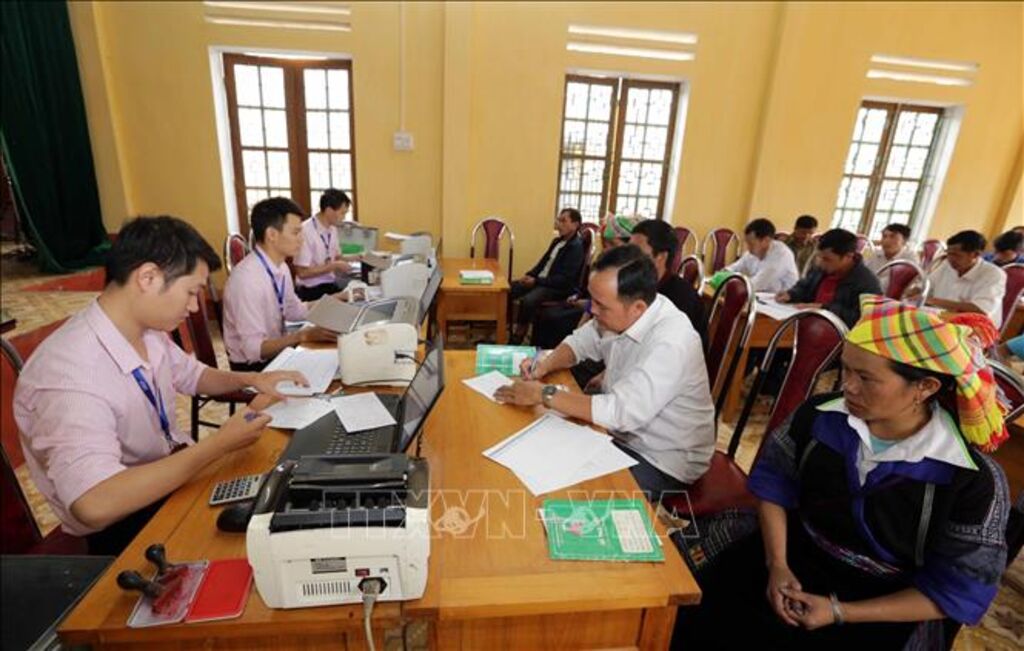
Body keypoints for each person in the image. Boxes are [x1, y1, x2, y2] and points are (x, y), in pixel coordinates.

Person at [675, 296, 1010, 650]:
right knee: (696, 614)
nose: (848, 386)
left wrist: (838, 611)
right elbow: (774, 486)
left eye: (865, 377)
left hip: (881, 603)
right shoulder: (818, 416)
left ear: (925, 387)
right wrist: (778, 564)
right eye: (846, 369)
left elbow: (954, 591)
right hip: (792, 552)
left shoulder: (971, 480)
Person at [13, 216, 308, 555]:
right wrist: (219, 445)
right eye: (191, 292)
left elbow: (193, 375)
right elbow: (94, 504)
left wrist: (251, 379)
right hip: (127, 522)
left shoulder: (145, 330)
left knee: (279, 479)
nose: (194, 307)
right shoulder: (69, 373)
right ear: (148, 278)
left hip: (173, 475)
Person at [495, 245, 715, 499]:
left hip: (662, 459)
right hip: (620, 434)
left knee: (570, 492)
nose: (592, 311)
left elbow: (621, 412)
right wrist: (544, 364)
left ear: (637, 308)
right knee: (542, 450)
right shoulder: (622, 312)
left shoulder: (672, 342)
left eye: (600, 305)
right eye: (592, 300)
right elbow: (581, 342)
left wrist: (544, 393)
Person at [222, 197, 337, 371]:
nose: (302, 240)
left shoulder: (281, 266)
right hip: (254, 368)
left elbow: (293, 310)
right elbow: (254, 351)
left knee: (333, 360)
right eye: (296, 233)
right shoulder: (247, 280)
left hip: (277, 353)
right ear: (272, 235)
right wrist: (301, 336)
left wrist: (336, 300)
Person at [776, 228, 882, 327]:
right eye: (820, 257)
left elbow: (862, 318)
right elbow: (804, 286)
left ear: (848, 256)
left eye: (827, 259)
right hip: (806, 322)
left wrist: (824, 309)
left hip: (835, 333)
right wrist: (791, 294)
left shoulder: (867, 283)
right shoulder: (822, 269)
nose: (821, 263)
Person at [509, 208, 586, 344]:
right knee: (509, 289)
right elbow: (542, 263)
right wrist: (529, 275)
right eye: (558, 220)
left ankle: (519, 334)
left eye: (563, 221)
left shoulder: (576, 247)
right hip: (541, 281)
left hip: (556, 288)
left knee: (529, 300)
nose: (559, 224)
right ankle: (504, 325)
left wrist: (536, 281)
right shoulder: (557, 241)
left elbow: (564, 280)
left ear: (575, 225)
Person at [919, 230, 1006, 327]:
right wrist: (916, 292)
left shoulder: (994, 274)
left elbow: (980, 309)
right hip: (943, 321)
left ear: (975, 254)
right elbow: (926, 286)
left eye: (956, 255)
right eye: (949, 253)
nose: (950, 259)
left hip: (975, 328)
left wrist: (932, 300)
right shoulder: (947, 265)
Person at [293, 189, 353, 301]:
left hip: (329, 284)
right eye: (342, 213)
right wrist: (334, 266)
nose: (344, 218)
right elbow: (302, 273)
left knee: (357, 295)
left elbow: (336, 256)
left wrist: (356, 257)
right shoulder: (305, 231)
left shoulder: (332, 229)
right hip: (310, 290)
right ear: (329, 211)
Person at [726, 218, 800, 293]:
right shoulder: (752, 253)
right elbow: (734, 268)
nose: (748, 248)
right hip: (763, 295)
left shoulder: (781, 255)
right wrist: (723, 275)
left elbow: (755, 284)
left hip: (784, 298)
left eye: (751, 244)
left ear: (766, 240)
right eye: (747, 243)